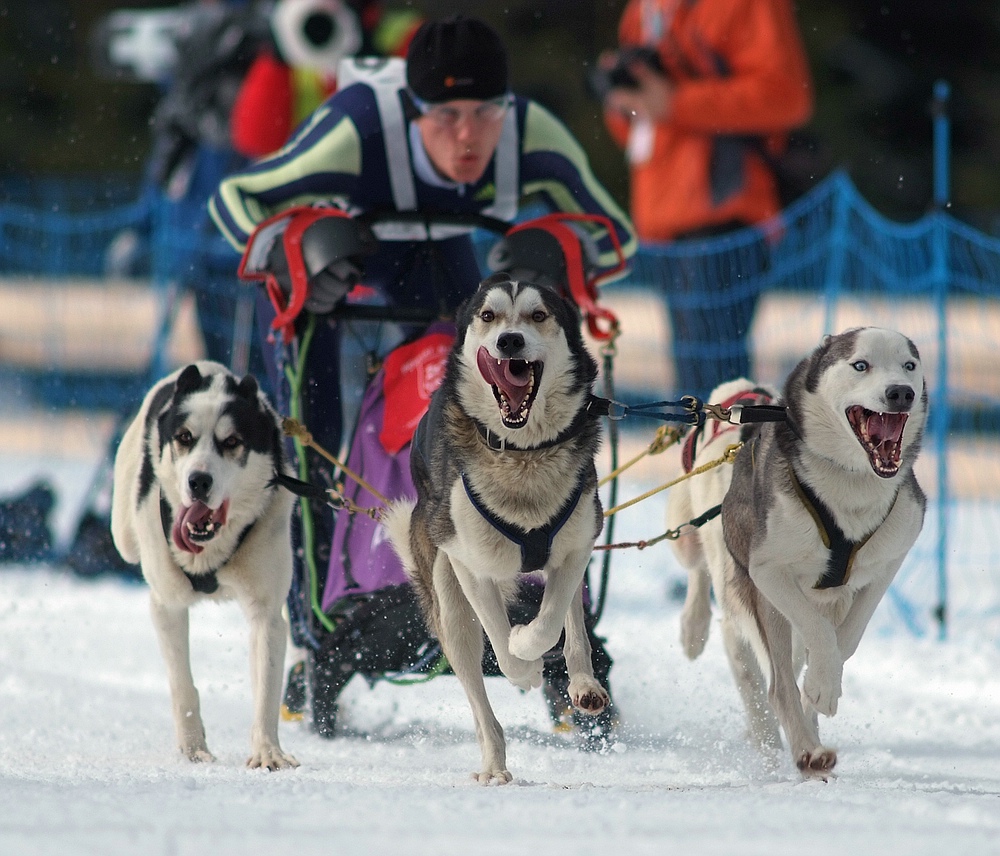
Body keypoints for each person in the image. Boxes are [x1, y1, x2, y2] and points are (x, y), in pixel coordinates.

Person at [209, 16, 637, 742]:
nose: (468, 137)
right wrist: (294, 249)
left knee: (536, 422)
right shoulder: (359, 129)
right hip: (356, 271)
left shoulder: (530, 132)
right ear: (414, 113)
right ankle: (319, 635)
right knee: (327, 437)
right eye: (446, 117)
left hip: (465, 272)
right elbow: (236, 201)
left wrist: (558, 246)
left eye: (484, 115)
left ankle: (568, 642)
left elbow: (616, 232)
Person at [600, 0, 813, 399]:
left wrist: (676, 103)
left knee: (715, 384)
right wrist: (625, 101)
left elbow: (786, 97)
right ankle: (708, 455)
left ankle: (727, 457)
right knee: (695, 386)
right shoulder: (643, 11)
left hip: (724, 212)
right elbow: (635, 130)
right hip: (664, 217)